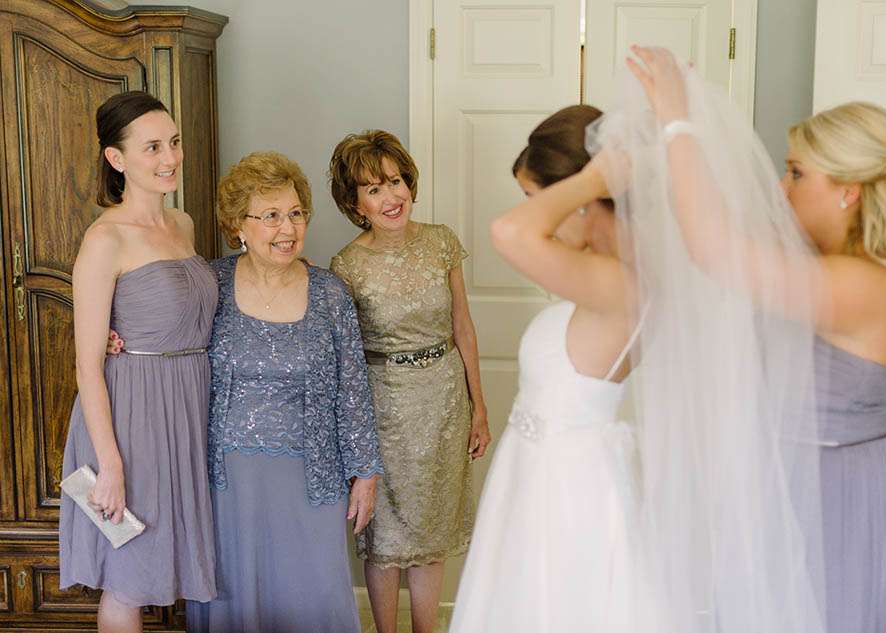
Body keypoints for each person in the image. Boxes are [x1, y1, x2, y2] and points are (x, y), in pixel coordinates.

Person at [625, 45, 886, 633]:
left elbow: (715, 249)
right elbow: (715, 220)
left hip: (841, 500)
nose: (780, 185)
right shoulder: (818, 262)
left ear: (849, 190)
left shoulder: (862, 283)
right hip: (796, 484)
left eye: (796, 173)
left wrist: (678, 119)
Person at [448, 105, 646, 633]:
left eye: (536, 198)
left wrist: (590, 179)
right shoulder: (601, 272)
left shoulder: (621, 282)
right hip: (538, 478)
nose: (534, 213)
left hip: (571, 490)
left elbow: (510, 233)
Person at [167, 151, 383, 633]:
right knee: (239, 600)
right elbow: (166, 342)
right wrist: (119, 341)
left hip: (312, 475)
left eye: (295, 213)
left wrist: (365, 472)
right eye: (270, 216)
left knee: (313, 598)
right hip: (228, 479)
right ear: (239, 225)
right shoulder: (211, 282)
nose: (287, 228)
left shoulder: (330, 293)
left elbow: (353, 387)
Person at [59, 91, 217, 633]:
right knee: (129, 574)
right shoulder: (105, 239)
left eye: (173, 142)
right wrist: (111, 465)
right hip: (133, 419)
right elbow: (86, 366)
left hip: (188, 410)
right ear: (117, 159)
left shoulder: (186, 225)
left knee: (165, 562)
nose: (170, 157)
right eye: (152, 147)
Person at [328, 130, 489, 633]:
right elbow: (347, 358)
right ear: (356, 205)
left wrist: (478, 406)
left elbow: (463, 325)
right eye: (373, 189)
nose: (390, 197)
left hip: (444, 401)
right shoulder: (347, 265)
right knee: (385, 535)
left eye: (395, 181)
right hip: (384, 406)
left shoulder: (442, 241)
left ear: (409, 184)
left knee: (431, 527)